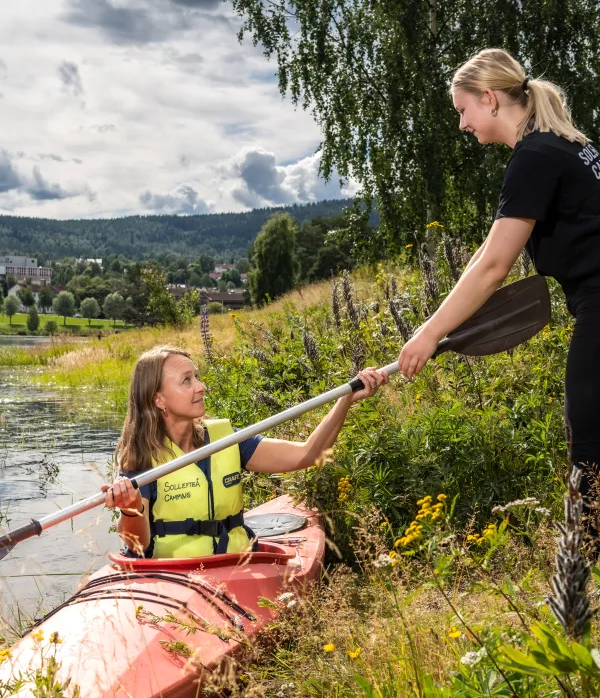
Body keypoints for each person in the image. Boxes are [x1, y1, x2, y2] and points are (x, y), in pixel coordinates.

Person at [398, 47, 600, 521]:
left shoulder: (534, 156)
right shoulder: (564, 144)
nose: (462, 124)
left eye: (462, 110)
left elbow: (494, 267)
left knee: (589, 441)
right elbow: (489, 251)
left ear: (489, 99)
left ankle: (582, 568)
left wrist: (428, 334)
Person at [102, 344, 388, 557]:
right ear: (159, 399)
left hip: (233, 564)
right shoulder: (142, 461)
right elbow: (135, 544)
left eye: (197, 376)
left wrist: (346, 399)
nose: (201, 387)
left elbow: (307, 455)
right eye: (186, 381)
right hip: (174, 576)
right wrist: (131, 509)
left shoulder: (227, 440)